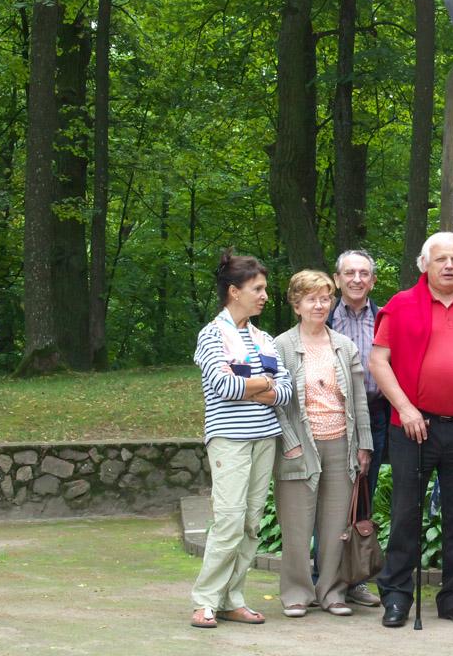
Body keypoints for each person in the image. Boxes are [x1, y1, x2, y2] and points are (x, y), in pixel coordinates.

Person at [370, 233, 453, 628]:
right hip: (415, 425)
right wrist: (406, 409)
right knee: (405, 514)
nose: (448, 266)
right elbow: (380, 361)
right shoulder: (402, 305)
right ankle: (396, 597)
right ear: (424, 265)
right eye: (440, 259)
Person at [190, 249, 292, 629]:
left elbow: (286, 392)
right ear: (234, 291)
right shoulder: (212, 335)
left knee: (251, 523)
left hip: (264, 438)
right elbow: (221, 385)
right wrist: (263, 384)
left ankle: (233, 598)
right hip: (229, 440)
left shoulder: (264, 339)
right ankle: (205, 600)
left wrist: (255, 386)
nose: (265, 295)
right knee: (229, 521)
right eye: (258, 288)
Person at [272, 270, 373, 618]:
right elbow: (275, 402)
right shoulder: (280, 345)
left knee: (335, 527)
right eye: (312, 298)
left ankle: (332, 591)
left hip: (341, 445)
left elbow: (359, 401)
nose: (320, 305)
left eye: (325, 298)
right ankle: (297, 593)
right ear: (296, 304)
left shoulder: (344, 346)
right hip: (299, 446)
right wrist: (290, 443)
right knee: (297, 525)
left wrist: (364, 446)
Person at [330, 249, 386, 608]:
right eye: (349, 273)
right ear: (337, 279)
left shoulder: (384, 317)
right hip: (334, 414)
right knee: (332, 498)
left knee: (363, 494)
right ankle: (327, 578)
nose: (356, 279)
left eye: (364, 273)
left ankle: (356, 579)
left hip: (376, 412)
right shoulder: (323, 316)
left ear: (373, 281)